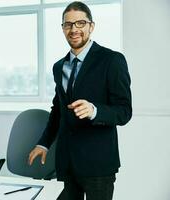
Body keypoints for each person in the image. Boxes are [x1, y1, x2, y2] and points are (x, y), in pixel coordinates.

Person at [28, 1, 132, 200]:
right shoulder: (59, 67)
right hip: (66, 163)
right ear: (63, 28)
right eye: (68, 24)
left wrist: (94, 110)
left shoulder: (112, 60)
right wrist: (43, 144)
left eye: (80, 23)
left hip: (98, 165)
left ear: (91, 26)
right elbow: (57, 110)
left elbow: (124, 111)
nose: (74, 29)